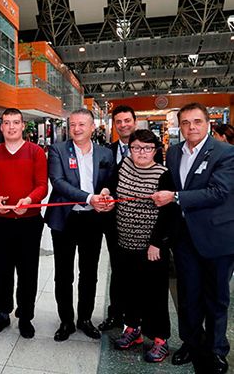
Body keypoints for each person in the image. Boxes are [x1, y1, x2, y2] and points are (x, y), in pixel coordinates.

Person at [151, 103, 234, 374]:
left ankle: (217, 350)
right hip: (185, 237)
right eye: (185, 122)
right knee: (188, 295)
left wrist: (175, 197)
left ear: (208, 123)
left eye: (197, 121)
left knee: (217, 298)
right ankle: (191, 342)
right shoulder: (175, 152)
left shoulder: (225, 152)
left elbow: (219, 191)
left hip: (216, 238)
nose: (191, 127)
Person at [106, 130, 177, 363]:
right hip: (124, 243)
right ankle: (133, 328)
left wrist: (156, 243)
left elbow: (168, 213)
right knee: (129, 289)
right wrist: (106, 193)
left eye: (147, 148)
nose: (141, 152)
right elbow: (111, 187)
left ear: (155, 150)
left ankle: (160, 339)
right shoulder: (124, 165)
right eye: (136, 147)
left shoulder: (163, 174)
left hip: (150, 248)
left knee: (154, 294)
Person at [45, 108, 115, 342]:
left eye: (82, 124)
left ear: (92, 127)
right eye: (72, 124)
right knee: (63, 274)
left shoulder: (105, 153)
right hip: (65, 219)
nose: (76, 129)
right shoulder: (58, 150)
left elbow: (110, 182)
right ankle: (66, 320)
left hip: (93, 220)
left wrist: (106, 194)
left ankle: (85, 318)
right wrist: (89, 198)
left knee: (89, 272)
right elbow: (58, 181)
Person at [0, 108, 48, 337]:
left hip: (29, 222)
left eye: (16, 122)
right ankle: (3, 312)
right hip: (0, 222)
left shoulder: (36, 152)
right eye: (7, 123)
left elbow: (42, 185)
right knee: (1, 270)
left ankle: (26, 316)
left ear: (23, 126)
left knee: (28, 271)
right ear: (1, 127)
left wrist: (29, 200)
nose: (11, 127)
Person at [100, 105, 164, 332]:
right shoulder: (108, 151)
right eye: (118, 121)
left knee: (144, 278)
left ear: (134, 122)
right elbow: (108, 182)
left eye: (127, 120)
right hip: (116, 224)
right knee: (119, 272)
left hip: (145, 229)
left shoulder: (154, 153)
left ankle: (143, 323)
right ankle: (117, 315)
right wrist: (105, 192)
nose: (123, 125)